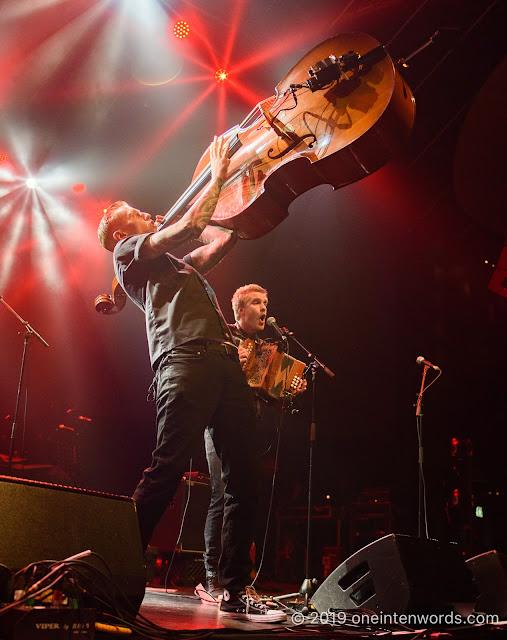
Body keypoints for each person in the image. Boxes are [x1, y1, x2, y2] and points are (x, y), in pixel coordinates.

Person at [97, 136, 286, 623]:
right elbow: (189, 226)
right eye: (137, 211)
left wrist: (240, 189)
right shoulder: (129, 253)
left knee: (244, 479)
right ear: (121, 230)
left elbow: (220, 237)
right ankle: (113, 572)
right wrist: (217, 172)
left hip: (224, 364)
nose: (147, 213)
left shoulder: (176, 270)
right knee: (166, 471)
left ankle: (234, 592)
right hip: (182, 364)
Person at [203, 284, 306, 596]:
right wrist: (233, 360)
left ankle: (235, 575)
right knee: (222, 495)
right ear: (240, 310)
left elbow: (270, 394)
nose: (263, 308)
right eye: (256, 303)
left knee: (244, 498)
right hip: (219, 423)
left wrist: (291, 391)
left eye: (265, 303)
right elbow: (207, 379)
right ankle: (211, 573)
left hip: (250, 426)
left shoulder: (267, 347)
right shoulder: (223, 334)